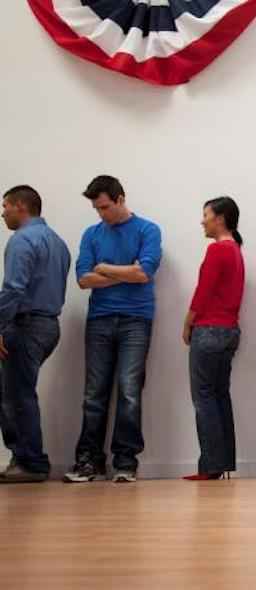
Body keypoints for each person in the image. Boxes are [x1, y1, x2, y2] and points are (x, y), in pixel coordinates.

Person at [65, 175, 162, 484]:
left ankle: (125, 462)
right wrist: (127, 272)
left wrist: (104, 268)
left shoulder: (148, 229)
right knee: (94, 394)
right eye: (97, 209)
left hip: (136, 320)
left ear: (120, 199)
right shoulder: (91, 234)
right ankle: (88, 463)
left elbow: (144, 273)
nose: (101, 214)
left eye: (105, 207)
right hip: (99, 320)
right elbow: (82, 279)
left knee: (130, 392)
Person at [0, 185, 70, 484]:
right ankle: (26, 459)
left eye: (5, 206)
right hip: (48, 325)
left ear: (20, 206)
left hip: (26, 325)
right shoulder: (58, 242)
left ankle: (31, 462)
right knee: (19, 391)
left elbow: (14, 289)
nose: (3, 212)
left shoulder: (22, 240)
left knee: (15, 395)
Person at [181, 197, 245, 481]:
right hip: (229, 331)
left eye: (205, 215)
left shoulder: (217, 250)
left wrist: (187, 322)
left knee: (204, 398)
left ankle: (210, 465)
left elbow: (203, 291)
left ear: (219, 218)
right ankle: (221, 463)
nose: (202, 220)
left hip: (208, 330)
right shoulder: (236, 251)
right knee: (219, 397)